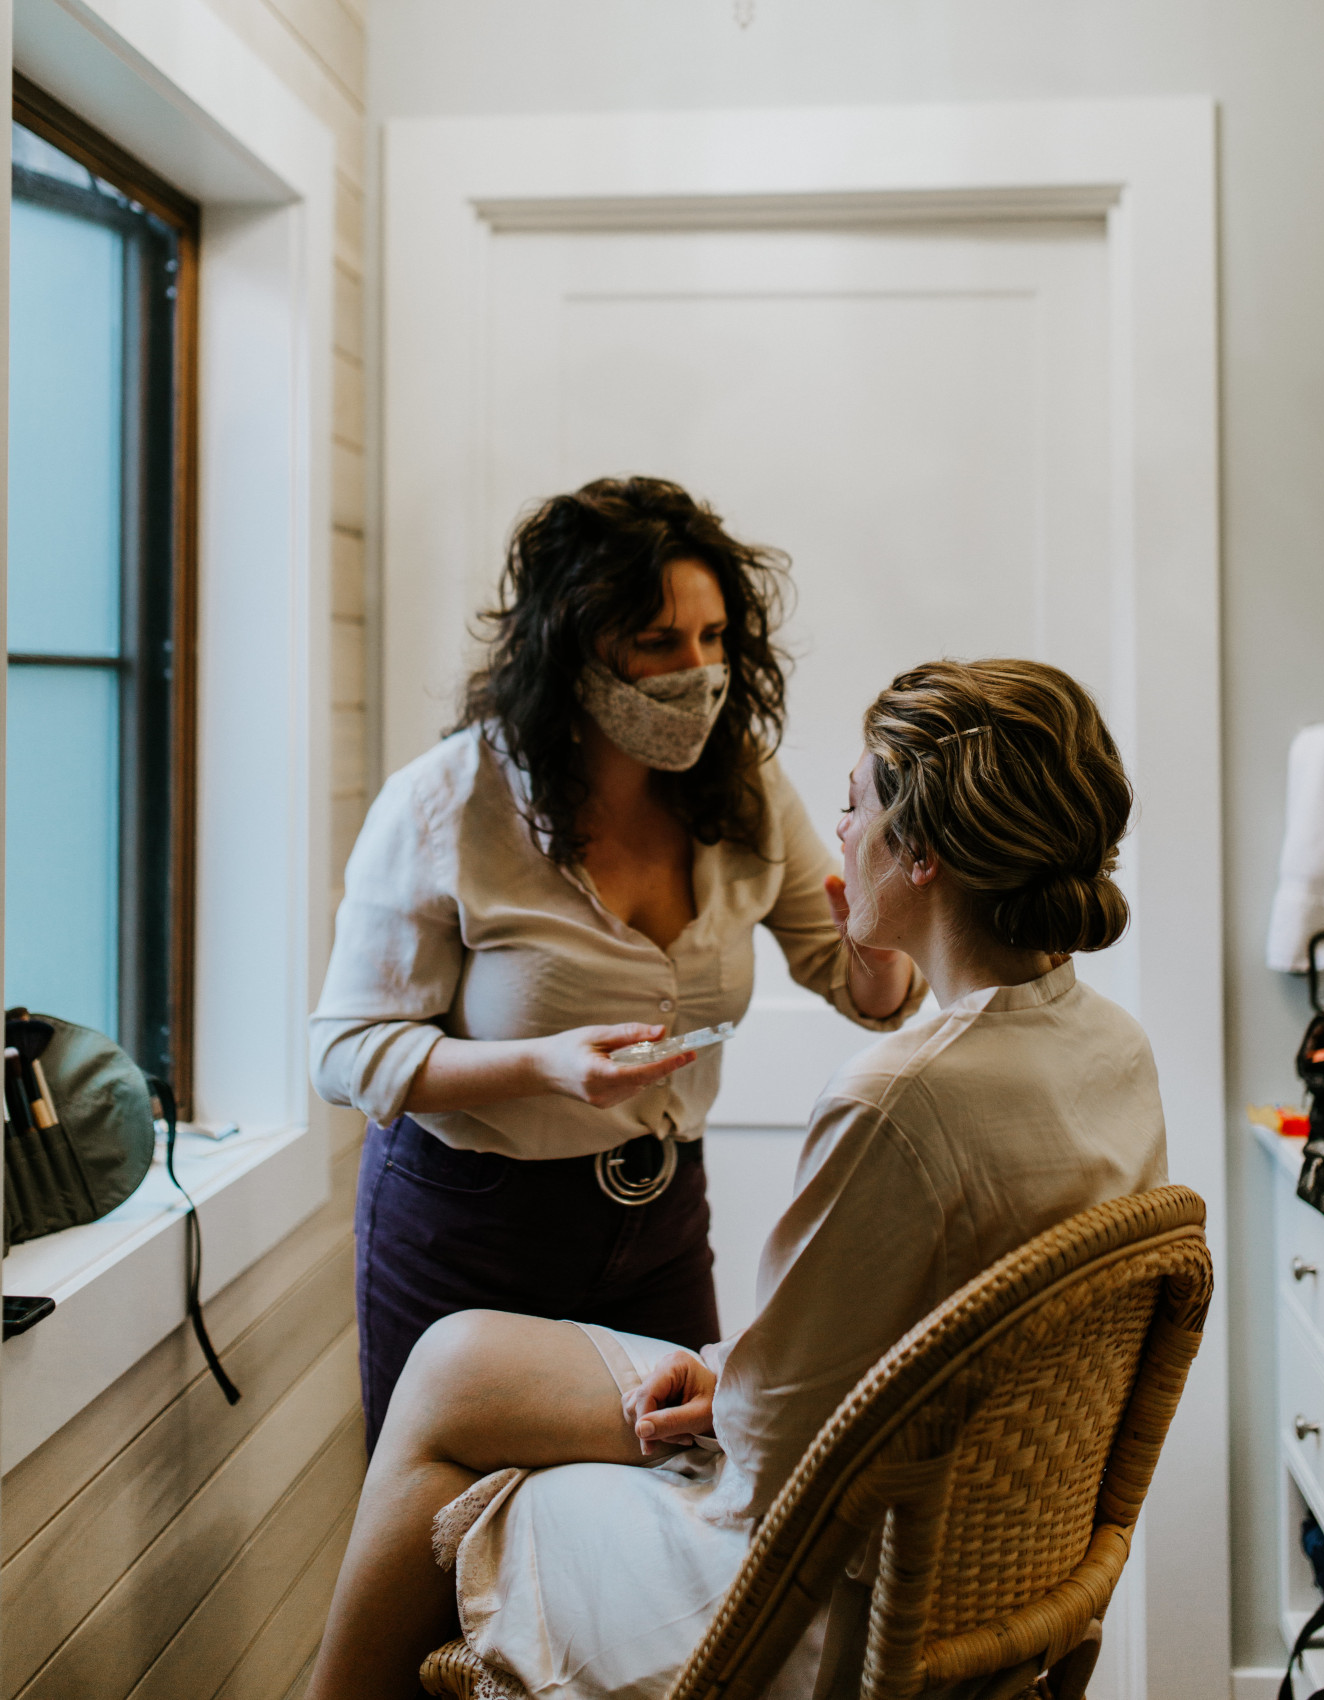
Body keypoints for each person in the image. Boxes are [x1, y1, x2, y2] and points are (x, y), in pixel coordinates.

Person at [305, 658, 1168, 1700]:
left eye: (853, 808)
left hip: (804, 1601)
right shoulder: (1112, 1048)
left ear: (924, 854)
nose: (835, 839)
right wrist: (733, 1384)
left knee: (452, 1420)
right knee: (457, 1362)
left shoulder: (898, 1101)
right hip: (967, 1552)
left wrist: (734, 1401)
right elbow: (920, 1341)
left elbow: (769, 1453)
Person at [310, 477, 923, 1451]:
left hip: (659, 1217)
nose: (698, 672)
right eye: (657, 643)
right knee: (450, 1524)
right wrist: (541, 1067)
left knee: (674, 1489)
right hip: (468, 1226)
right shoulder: (443, 804)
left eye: (715, 639)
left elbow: (866, 993)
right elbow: (346, 1053)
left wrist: (880, 926)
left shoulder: (748, 789)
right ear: (570, 648)